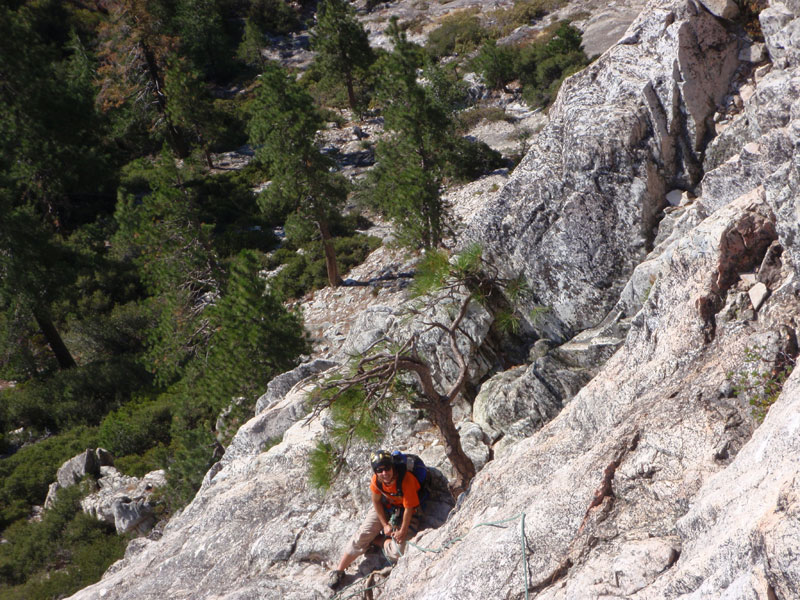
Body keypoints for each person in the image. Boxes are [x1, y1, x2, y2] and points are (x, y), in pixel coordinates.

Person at [327, 449, 423, 590]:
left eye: (387, 468)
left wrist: (402, 531)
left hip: (406, 510)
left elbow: (408, 508)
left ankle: (378, 541)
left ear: (393, 467)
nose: (384, 473)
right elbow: (376, 501)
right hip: (386, 507)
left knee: (399, 551)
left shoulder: (406, 480)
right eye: (379, 470)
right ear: (376, 472)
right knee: (362, 535)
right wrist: (384, 525)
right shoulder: (377, 481)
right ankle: (339, 571)